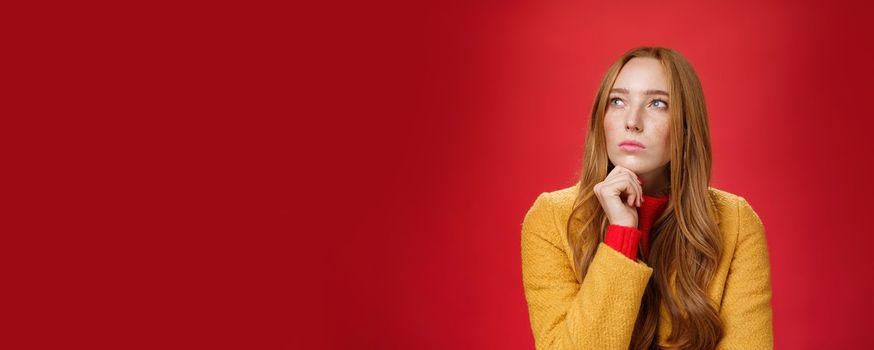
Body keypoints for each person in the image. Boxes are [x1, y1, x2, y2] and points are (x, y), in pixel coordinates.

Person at [520, 47, 773, 350]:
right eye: (617, 101)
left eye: (657, 103)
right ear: (601, 118)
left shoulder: (737, 222)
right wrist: (621, 237)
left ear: (686, 125)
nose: (632, 121)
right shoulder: (551, 219)